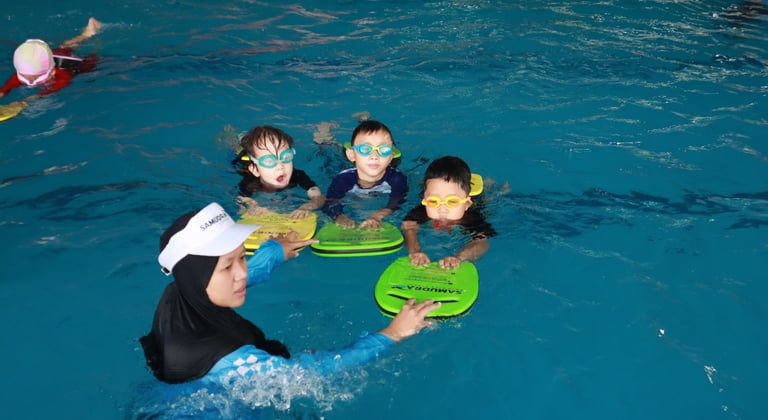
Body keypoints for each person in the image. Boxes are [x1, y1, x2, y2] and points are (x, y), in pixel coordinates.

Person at [140, 202, 440, 387]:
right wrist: (391, 334)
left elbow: (232, 279)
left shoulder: (181, 293)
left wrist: (273, 252)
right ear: (196, 277)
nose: (241, 273)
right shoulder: (232, 361)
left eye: (242, 257)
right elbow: (308, 374)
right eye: (227, 267)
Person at [401, 156, 496, 269]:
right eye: (433, 201)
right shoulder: (420, 211)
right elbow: (409, 228)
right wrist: (415, 252)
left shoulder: (472, 218)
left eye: (452, 201)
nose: (442, 209)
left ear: (466, 204)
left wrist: (459, 257)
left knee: (485, 201)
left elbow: (482, 242)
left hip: (477, 203)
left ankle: (489, 185)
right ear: (424, 200)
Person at [0, 17, 102, 111]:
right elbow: (5, 88)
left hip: (71, 66)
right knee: (64, 47)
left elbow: (48, 92)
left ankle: (91, 36)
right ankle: (86, 34)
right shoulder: (23, 74)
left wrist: (24, 102)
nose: (31, 82)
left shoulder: (63, 77)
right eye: (24, 78)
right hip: (49, 58)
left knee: (93, 60)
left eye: (37, 79)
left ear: (52, 72)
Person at [321, 120, 407, 229]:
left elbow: (397, 201)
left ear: (391, 157)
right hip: (345, 168)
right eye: (365, 149)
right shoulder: (343, 180)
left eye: (384, 149)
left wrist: (377, 216)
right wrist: (339, 216)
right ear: (352, 155)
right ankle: (325, 136)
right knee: (330, 156)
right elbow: (330, 202)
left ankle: (364, 121)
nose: (374, 156)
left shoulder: (397, 179)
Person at [232, 125, 325, 219]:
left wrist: (307, 207)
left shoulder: (297, 175)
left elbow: (319, 197)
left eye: (286, 157)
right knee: (239, 153)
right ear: (256, 170)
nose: (280, 166)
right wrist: (253, 206)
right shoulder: (250, 182)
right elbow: (242, 201)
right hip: (244, 163)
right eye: (269, 161)